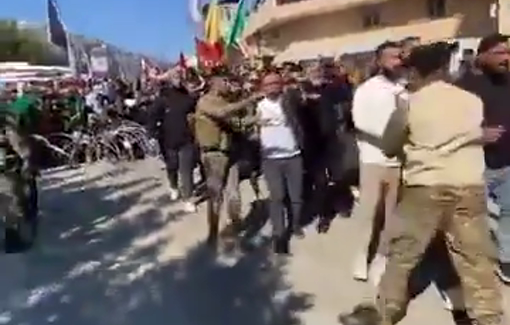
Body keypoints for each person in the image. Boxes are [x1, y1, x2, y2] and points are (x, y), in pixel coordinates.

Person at [340, 41, 504, 325]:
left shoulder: (410, 103)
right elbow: (475, 136)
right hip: (468, 187)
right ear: (444, 69)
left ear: (417, 71)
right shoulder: (472, 100)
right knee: (476, 259)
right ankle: (488, 318)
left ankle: (384, 314)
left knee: (404, 256)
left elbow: (390, 145)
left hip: (424, 188)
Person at [455, 33, 510, 283]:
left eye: (509, 52)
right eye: (500, 53)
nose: (507, 58)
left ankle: (506, 258)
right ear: (482, 55)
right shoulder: (463, 86)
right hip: (474, 164)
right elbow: (447, 127)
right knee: (471, 217)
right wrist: (476, 134)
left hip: (506, 162)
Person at [351, 41, 404, 283]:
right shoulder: (366, 89)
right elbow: (360, 121)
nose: (397, 61)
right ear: (379, 61)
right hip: (373, 160)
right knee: (370, 212)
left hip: (399, 162)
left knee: (391, 215)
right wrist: (389, 136)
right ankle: (361, 256)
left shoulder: (405, 90)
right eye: (392, 57)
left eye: (399, 56)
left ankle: (382, 257)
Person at [194, 71, 261, 247]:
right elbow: (222, 113)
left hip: (229, 151)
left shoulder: (225, 100)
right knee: (216, 195)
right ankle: (213, 234)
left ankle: (235, 229)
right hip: (213, 154)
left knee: (234, 192)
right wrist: (249, 100)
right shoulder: (205, 101)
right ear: (213, 83)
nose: (228, 85)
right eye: (224, 81)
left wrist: (258, 119)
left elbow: (237, 124)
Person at [256, 72, 305, 254]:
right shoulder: (257, 106)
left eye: (276, 83)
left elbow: (303, 101)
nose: (272, 87)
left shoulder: (289, 102)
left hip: (293, 155)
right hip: (271, 159)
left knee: (296, 197)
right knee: (276, 197)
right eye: (268, 84)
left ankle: (296, 224)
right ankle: (279, 234)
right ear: (262, 87)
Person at [149, 76, 198, 213]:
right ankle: (173, 186)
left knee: (186, 170)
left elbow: (196, 113)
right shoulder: (162, 99)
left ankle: (188, 198)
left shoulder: (188, 98)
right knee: (172, 166)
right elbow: (152, 116)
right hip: (167, 140)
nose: (178, 80)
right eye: (175, 78)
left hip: (186, 139)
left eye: (180, 78)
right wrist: (152, 134)